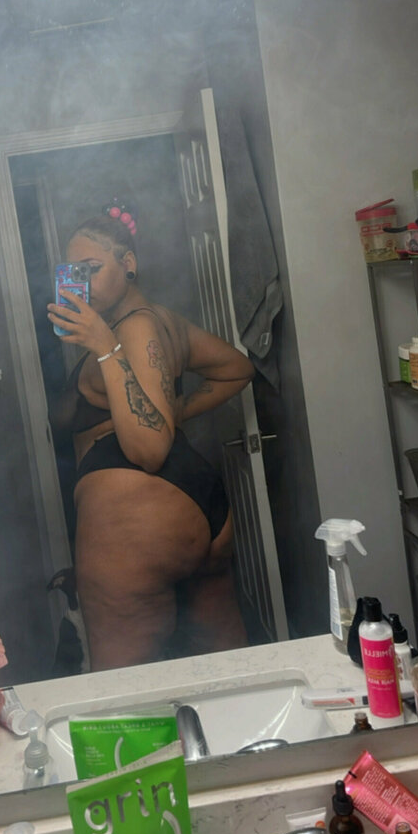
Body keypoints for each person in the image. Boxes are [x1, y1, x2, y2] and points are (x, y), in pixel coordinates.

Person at [47, 211, 255, 671]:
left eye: (93, 268)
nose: (83, 284)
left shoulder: (131, 329)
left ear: (128, 264)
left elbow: (151, 450)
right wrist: (175, 410)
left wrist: (104, 345)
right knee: (230, 669)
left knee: (126, 687)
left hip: (133, 514)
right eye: (74, 272)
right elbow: (236, 368)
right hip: (195, 502)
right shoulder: (162, 320)